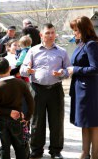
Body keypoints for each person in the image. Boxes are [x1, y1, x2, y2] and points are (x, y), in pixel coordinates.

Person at [20, 23, 71, 159]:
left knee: (57, 122)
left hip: (55, 90)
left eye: (52, 33)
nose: (50, 35)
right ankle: (36, 151)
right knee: (37, 121)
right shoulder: (33, 51)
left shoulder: (62, 52)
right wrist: (27, 70)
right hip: (37, 90)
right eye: (47, 33)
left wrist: (62, 72)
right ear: (41, 35)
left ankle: (56, 151)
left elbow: (68, 70)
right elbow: (22, 69)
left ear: (55, 34)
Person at [0, 57, 34, 159]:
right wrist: (27, 118)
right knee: (20, 146)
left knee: (4, 148)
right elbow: (31, 101)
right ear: (9, 68)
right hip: (18, 119)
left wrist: (8, 112)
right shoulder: (21, 83)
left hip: (2, 120)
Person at [67, 16, 98, 159]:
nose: (74, 32)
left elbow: (95, 68)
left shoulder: (91, 44)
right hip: (81, 89)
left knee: (93, 124)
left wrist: (75, 70)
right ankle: (85, 153)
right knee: (85, 123)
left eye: (76, 29)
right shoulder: (82, 44)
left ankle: (95, 155)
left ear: (84, 29)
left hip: (89, 90)